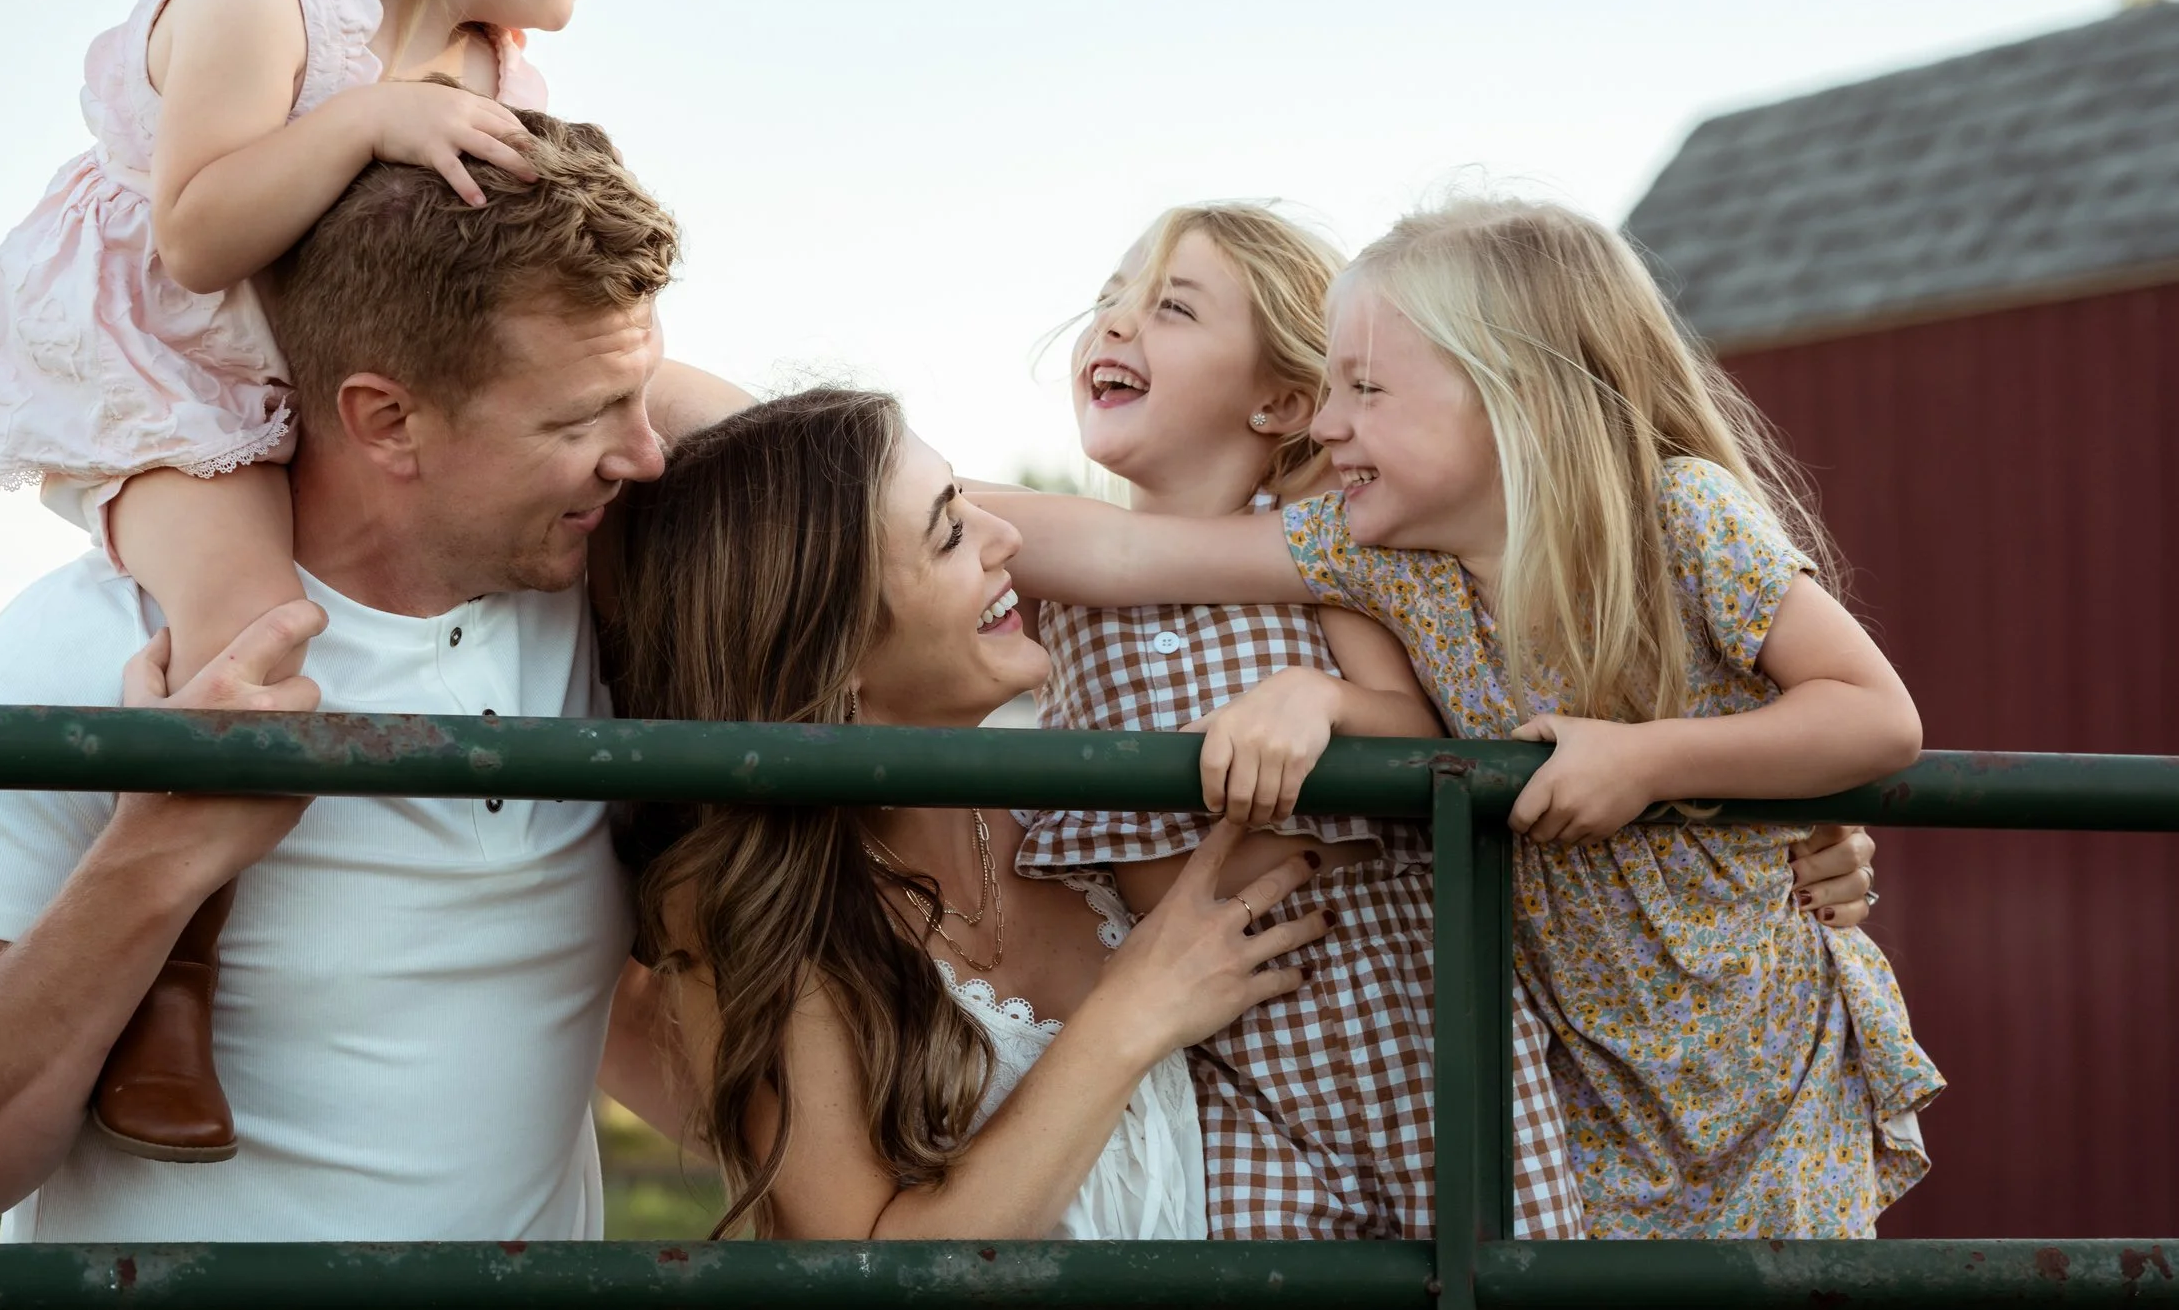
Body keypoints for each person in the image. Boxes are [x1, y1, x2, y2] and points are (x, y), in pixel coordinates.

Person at [0, 117, 734, 1243]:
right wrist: (157, 855)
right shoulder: (103, 642)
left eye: (641, 393)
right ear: (384, 418)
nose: (645, 452)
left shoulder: (605, 616)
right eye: (580, 417)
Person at [982, 195, 1943, 1237]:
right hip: (1578, 1086)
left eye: (1367, 388)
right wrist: (840, 478)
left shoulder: (1682, 514)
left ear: (1511, 398)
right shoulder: (1383, 562)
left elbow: (1875, 714)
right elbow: (1115, 553)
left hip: (1762, 1072)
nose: (1327, 420)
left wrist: (1649, 759)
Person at [0, 0, 635, 1158]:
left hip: (316, 391)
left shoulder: (491, 63)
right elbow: (199, 231)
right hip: (163, 380)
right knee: (252, 627)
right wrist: (363, 123)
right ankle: (170, 983)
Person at [596, 390, 1329, 1240]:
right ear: (835, 657)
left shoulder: (1084, 820)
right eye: (949, 533)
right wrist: (1133, 1016)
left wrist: (1324, 698)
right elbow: (867, 1269)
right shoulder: (756, 904)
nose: (1006, 539)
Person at [1015, 200, 1582, 1239]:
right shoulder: (1055, 590)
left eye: (1170, 307)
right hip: (1215, 1046)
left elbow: (1411, 720)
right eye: (1108, 301)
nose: (1114, 325)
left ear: (1280, 399)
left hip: (1395, 1012)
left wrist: (1312, 696)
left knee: (1498, 1265)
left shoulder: (1323, 550)